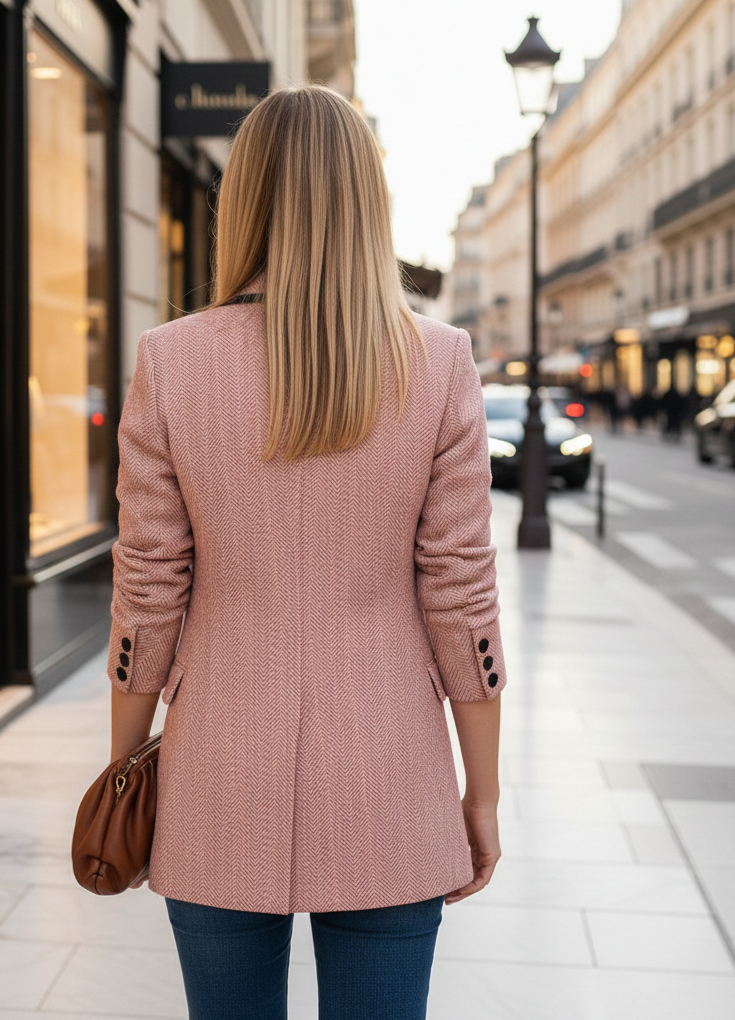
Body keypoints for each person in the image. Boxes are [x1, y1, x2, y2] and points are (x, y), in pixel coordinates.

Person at [107, 85, 505, 1020]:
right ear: (370, 200)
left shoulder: (172, 359)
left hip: (217, 765)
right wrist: (481, 791)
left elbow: (149, 589)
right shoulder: (438, 360)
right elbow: (461, 596)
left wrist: (122, 768)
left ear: (240, 197)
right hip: (393, 766)